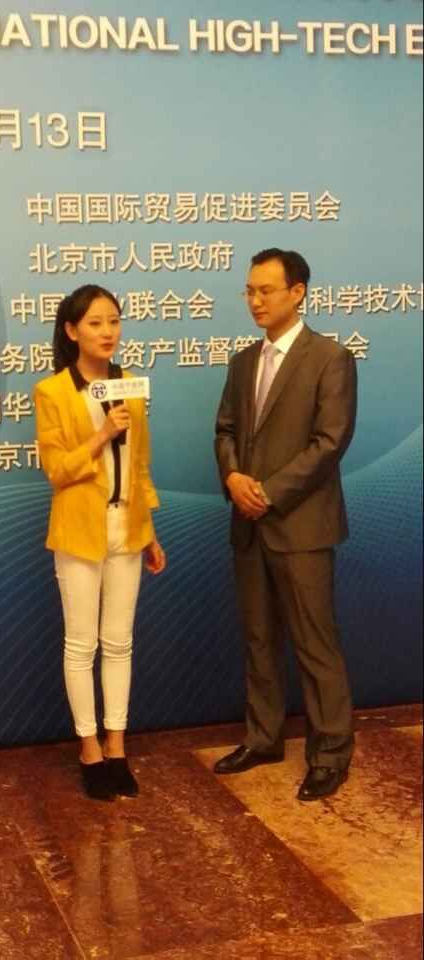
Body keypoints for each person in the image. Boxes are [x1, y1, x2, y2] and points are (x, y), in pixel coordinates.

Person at [214, 249, 357, 801]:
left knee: (315, 644)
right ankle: (263, 738)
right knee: (259, 639)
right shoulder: (243, 362)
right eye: (250, 290)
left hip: (302, 526)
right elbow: (226, 430)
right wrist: (233, 478)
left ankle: (330, 754)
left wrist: (268, 493)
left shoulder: (330, 358)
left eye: (266, 290)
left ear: (297, 292)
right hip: (248, 525)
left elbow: (330, 442)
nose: (255, 300)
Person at [34, 285, 165, 801]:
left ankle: (117, 746)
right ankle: (88, 748)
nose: (108, 331)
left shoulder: (129, 384)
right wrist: (102, 433)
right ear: (71, 331)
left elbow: (141, 464)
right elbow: (57, 469)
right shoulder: (53, 392)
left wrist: (149, 530)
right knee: (81, 643)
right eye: (95, 322)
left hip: (127, 528)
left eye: (114, 320)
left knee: (119, 641)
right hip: (79, 533)